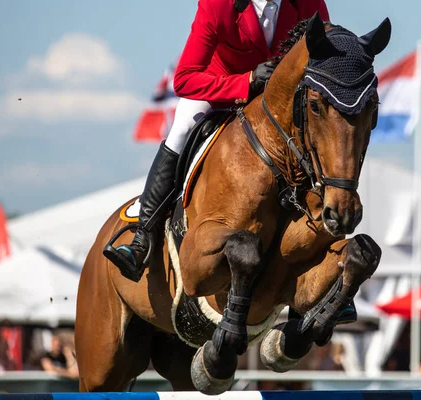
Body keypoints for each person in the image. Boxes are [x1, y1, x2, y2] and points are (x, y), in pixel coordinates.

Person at [104, 0, 330, 281]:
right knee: (183, 126)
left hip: (275, 106)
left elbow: (322, 57)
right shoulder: (218, 4)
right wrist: (246, 81)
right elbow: (184, 79)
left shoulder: (308, 3)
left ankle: (327, 252)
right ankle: (142, 241)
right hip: (220, 91)